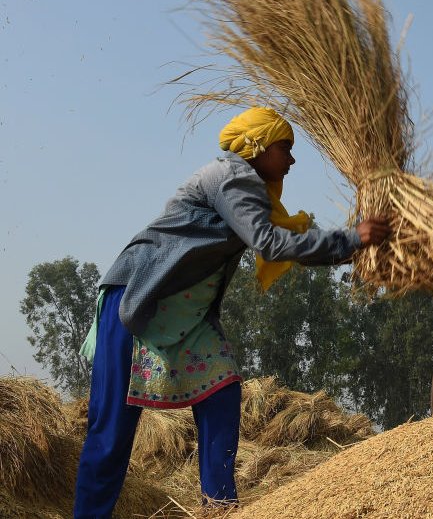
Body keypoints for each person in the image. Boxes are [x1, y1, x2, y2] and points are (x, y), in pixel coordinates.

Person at [73, 107, 390, 517]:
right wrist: (350, 238)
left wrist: (348, 249)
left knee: (222, 389)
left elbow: (283, 237)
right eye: (285, 148)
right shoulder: (232, 177)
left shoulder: (249, 186)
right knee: (112, 433)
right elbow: (269, 242)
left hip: (186, 312)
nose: (291, 162)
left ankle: (219, 508)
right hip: (140, 300)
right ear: (256, 146)